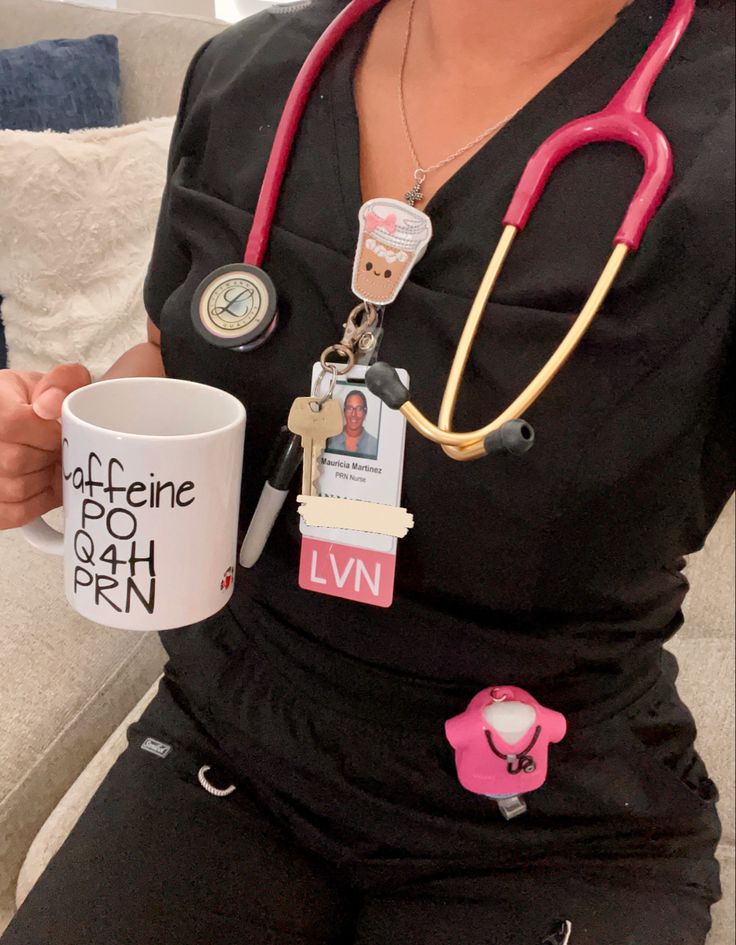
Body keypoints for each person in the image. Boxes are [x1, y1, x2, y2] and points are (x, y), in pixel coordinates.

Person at [0, 1, 733, 942]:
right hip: (233, 735)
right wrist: (73, 435)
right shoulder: (247, 72)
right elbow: (171, 355)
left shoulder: (715, 138)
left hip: (547, 808)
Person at [327, 389, 379, 458]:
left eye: (359, 409)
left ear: (365, 412)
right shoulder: (330, 440)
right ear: (344, 411)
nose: (354, 414)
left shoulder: (374, 445)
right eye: (350, 408)